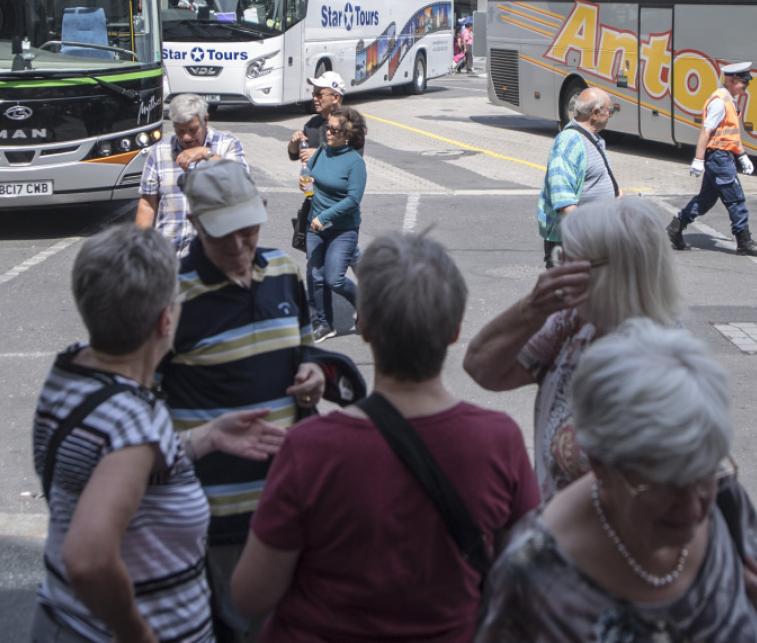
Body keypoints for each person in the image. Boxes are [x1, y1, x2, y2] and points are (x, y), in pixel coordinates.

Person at [231, 232, 541, 643]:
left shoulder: (311, 447)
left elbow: (251, 594)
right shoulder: (498, 441)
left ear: (363, 327)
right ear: (455, 331)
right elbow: (526, 577)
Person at [474, 318, 757, 643]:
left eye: (703, 473)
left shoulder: (728, 504)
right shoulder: (531, 576)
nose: (694, 506)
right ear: (601, 465)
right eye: (665, 484)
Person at [32, 225, 285, 643]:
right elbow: (87, 559)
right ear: (165, 320)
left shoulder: (70, 372)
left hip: (60, 617)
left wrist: (202, 439)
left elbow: (105, 460)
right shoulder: (136, 419)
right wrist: (137, 634)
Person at [161, 160, 329, 642]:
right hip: (218, 519)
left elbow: (303, 348)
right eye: (222, 236)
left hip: (290, 502)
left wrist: (315, 370)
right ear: (194, 226)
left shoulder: (281, 270)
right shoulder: (172, 297)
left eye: (247, 230)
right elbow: (142, 410)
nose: (238, 246)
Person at [465, 197, 683, 504]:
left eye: (569, 261)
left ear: (612, 274)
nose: (559, 268)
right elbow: (480, 367)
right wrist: (530, 310)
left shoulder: (667, 363)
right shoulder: (576, 320)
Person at [667, 61, 757, 257]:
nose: (745, 87)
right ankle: (744, 241)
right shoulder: (720, 102)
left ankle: (676, 227)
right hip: (719, 159)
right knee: (736, 199)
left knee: (705, 201)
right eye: (743, 83)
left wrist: (742, 155)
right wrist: (698, 159)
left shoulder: (729, 100)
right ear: (732, 81)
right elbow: (706, 130)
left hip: (723, 156)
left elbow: (731, 134)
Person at [136, 93, 248, 257]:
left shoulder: (227, 145)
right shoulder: (159, 153)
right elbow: (147, 205)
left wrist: (206, 154)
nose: (186, 137)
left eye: (193, 130)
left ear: (205, 120)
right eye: (180, 131)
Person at [537, 86, 621, 268]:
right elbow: (562, 195)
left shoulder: (594, 138)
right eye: (609, 110)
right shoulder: (569, 141)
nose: (611, 115)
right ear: (595, 113)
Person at [304, 106, 367, 340]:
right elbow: (310, 174)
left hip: (342, 229)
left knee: (334, 278)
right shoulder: (322, 151)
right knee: (316, 276)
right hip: (315, 226)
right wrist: (305, 185)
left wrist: (325, 217)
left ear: (347, 136)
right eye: (327, 128)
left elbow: (353, 199)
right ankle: (324, 323)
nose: (327, 133)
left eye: (334, 130)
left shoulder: (355, 163)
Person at [287, 72, 359, 165]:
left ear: (336, 98)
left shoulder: (349, 123)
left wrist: (318, 154)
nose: (315, 99)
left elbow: (354, 157)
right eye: (314, 94)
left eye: (320, 95)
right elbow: (293, 155)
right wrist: (295, 141)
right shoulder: (312, 125)